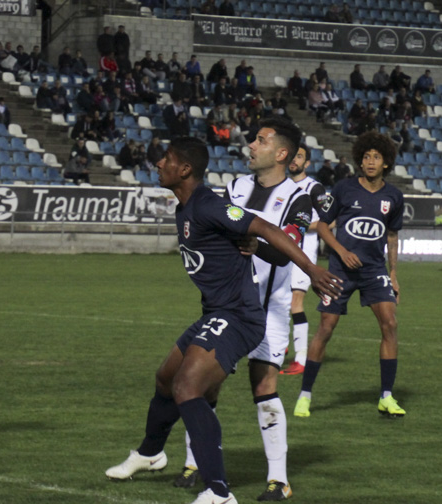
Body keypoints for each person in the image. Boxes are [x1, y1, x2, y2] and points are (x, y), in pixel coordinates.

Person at [105, 137, 342, 504]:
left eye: (165, 159)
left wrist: (311, 269)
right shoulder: (187, 207)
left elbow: (265, 229)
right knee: (166, 377)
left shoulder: (207, 205)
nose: (158, 164)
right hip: (217, 312)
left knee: (188, 388)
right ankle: (150, 453)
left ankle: (218, 492)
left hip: (240, 316)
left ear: (184, 169)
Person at [174, 118, 316, 502]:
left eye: (261, 140)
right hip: (228, 303)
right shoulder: (234, 187)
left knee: (264, 385)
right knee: (205, 382)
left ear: (281, 154)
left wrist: (258, 244)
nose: (251, 145)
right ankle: (195, 464)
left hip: (269, 309)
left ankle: (278, 479)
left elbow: (286, 247)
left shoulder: (299, 198)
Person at [294, 131, 406, 419]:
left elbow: (392, 236)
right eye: (366, 156)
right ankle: (305, 396)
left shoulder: (393, 197)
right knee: (326, 328)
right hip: (340, 271)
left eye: (376, 157)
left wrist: (393, 273)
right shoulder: (344, 189)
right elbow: (321, 227)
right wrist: (341, 252)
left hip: (373, 270)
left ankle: (386, 397)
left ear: (385, 163)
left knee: (390, 324)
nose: (370, 162)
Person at [283, 145, 327, 378]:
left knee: (295, 303)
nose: (294, 160)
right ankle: (281, 344)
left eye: (299, 156)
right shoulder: (283, 185)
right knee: (276, 301)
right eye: (293, 155)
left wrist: (294, 227)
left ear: (307, 163)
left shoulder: (314, 188)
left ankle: (300, 359)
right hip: (281, 252)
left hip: (303, 255)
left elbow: (327, 221)